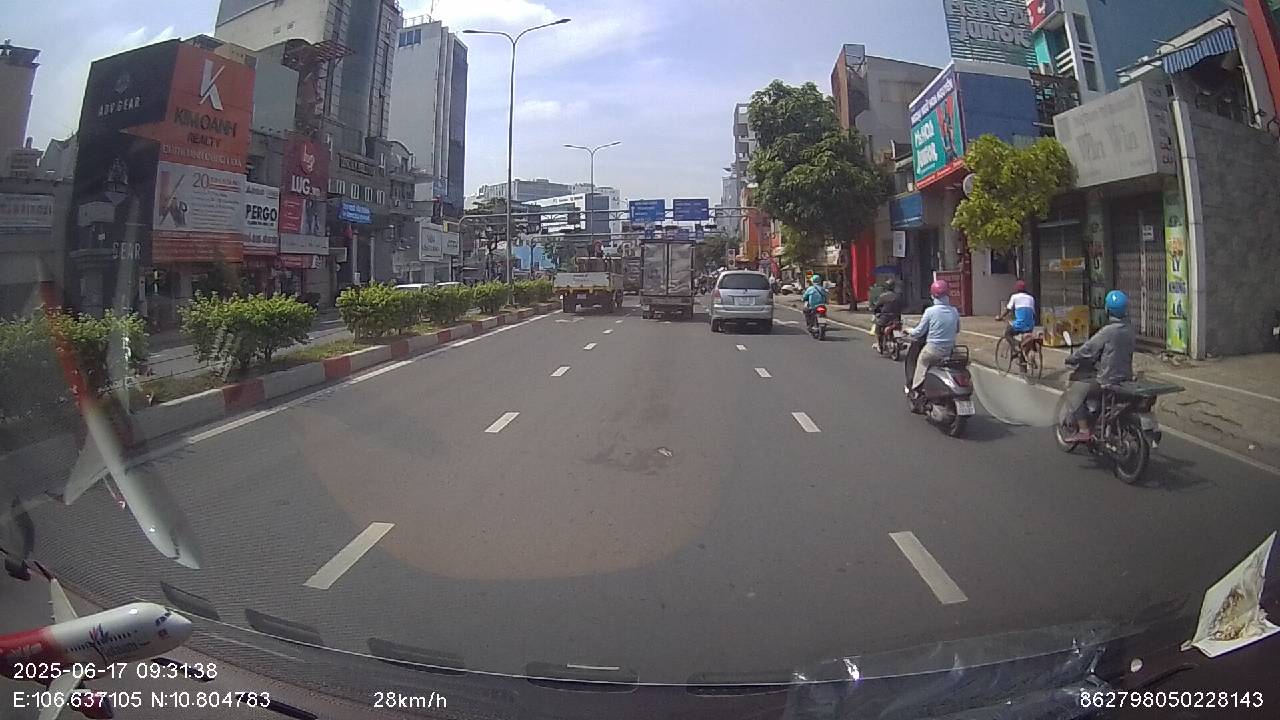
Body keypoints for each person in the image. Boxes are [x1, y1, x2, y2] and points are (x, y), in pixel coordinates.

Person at [1062, 290, 1136, 443]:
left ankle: (1084, 431)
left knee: (1075, 391)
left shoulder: (1107, 331)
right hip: (1125, 379)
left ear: (1107, 309)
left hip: (1107, 380)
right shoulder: (1130, 330)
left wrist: (1072, 358)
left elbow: (1088, 349)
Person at [907, 280, 961, 408]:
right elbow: (957, 329)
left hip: (932, 350)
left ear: (933, 295)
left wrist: (909, 330)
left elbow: (919, 332)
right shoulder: (954, 311)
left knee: (922, 362)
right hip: (949, 351)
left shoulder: (930, 312)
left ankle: (916, 391)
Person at [872, 278, 904, 350]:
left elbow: (876, 306)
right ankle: (900, 342)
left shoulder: (883, 296)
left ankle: (878, 344)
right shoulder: (898, 296)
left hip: (885, 318)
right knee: (898, 327)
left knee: (877, 328)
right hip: (896, 317)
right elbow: (902, 306)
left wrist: (875, 313)